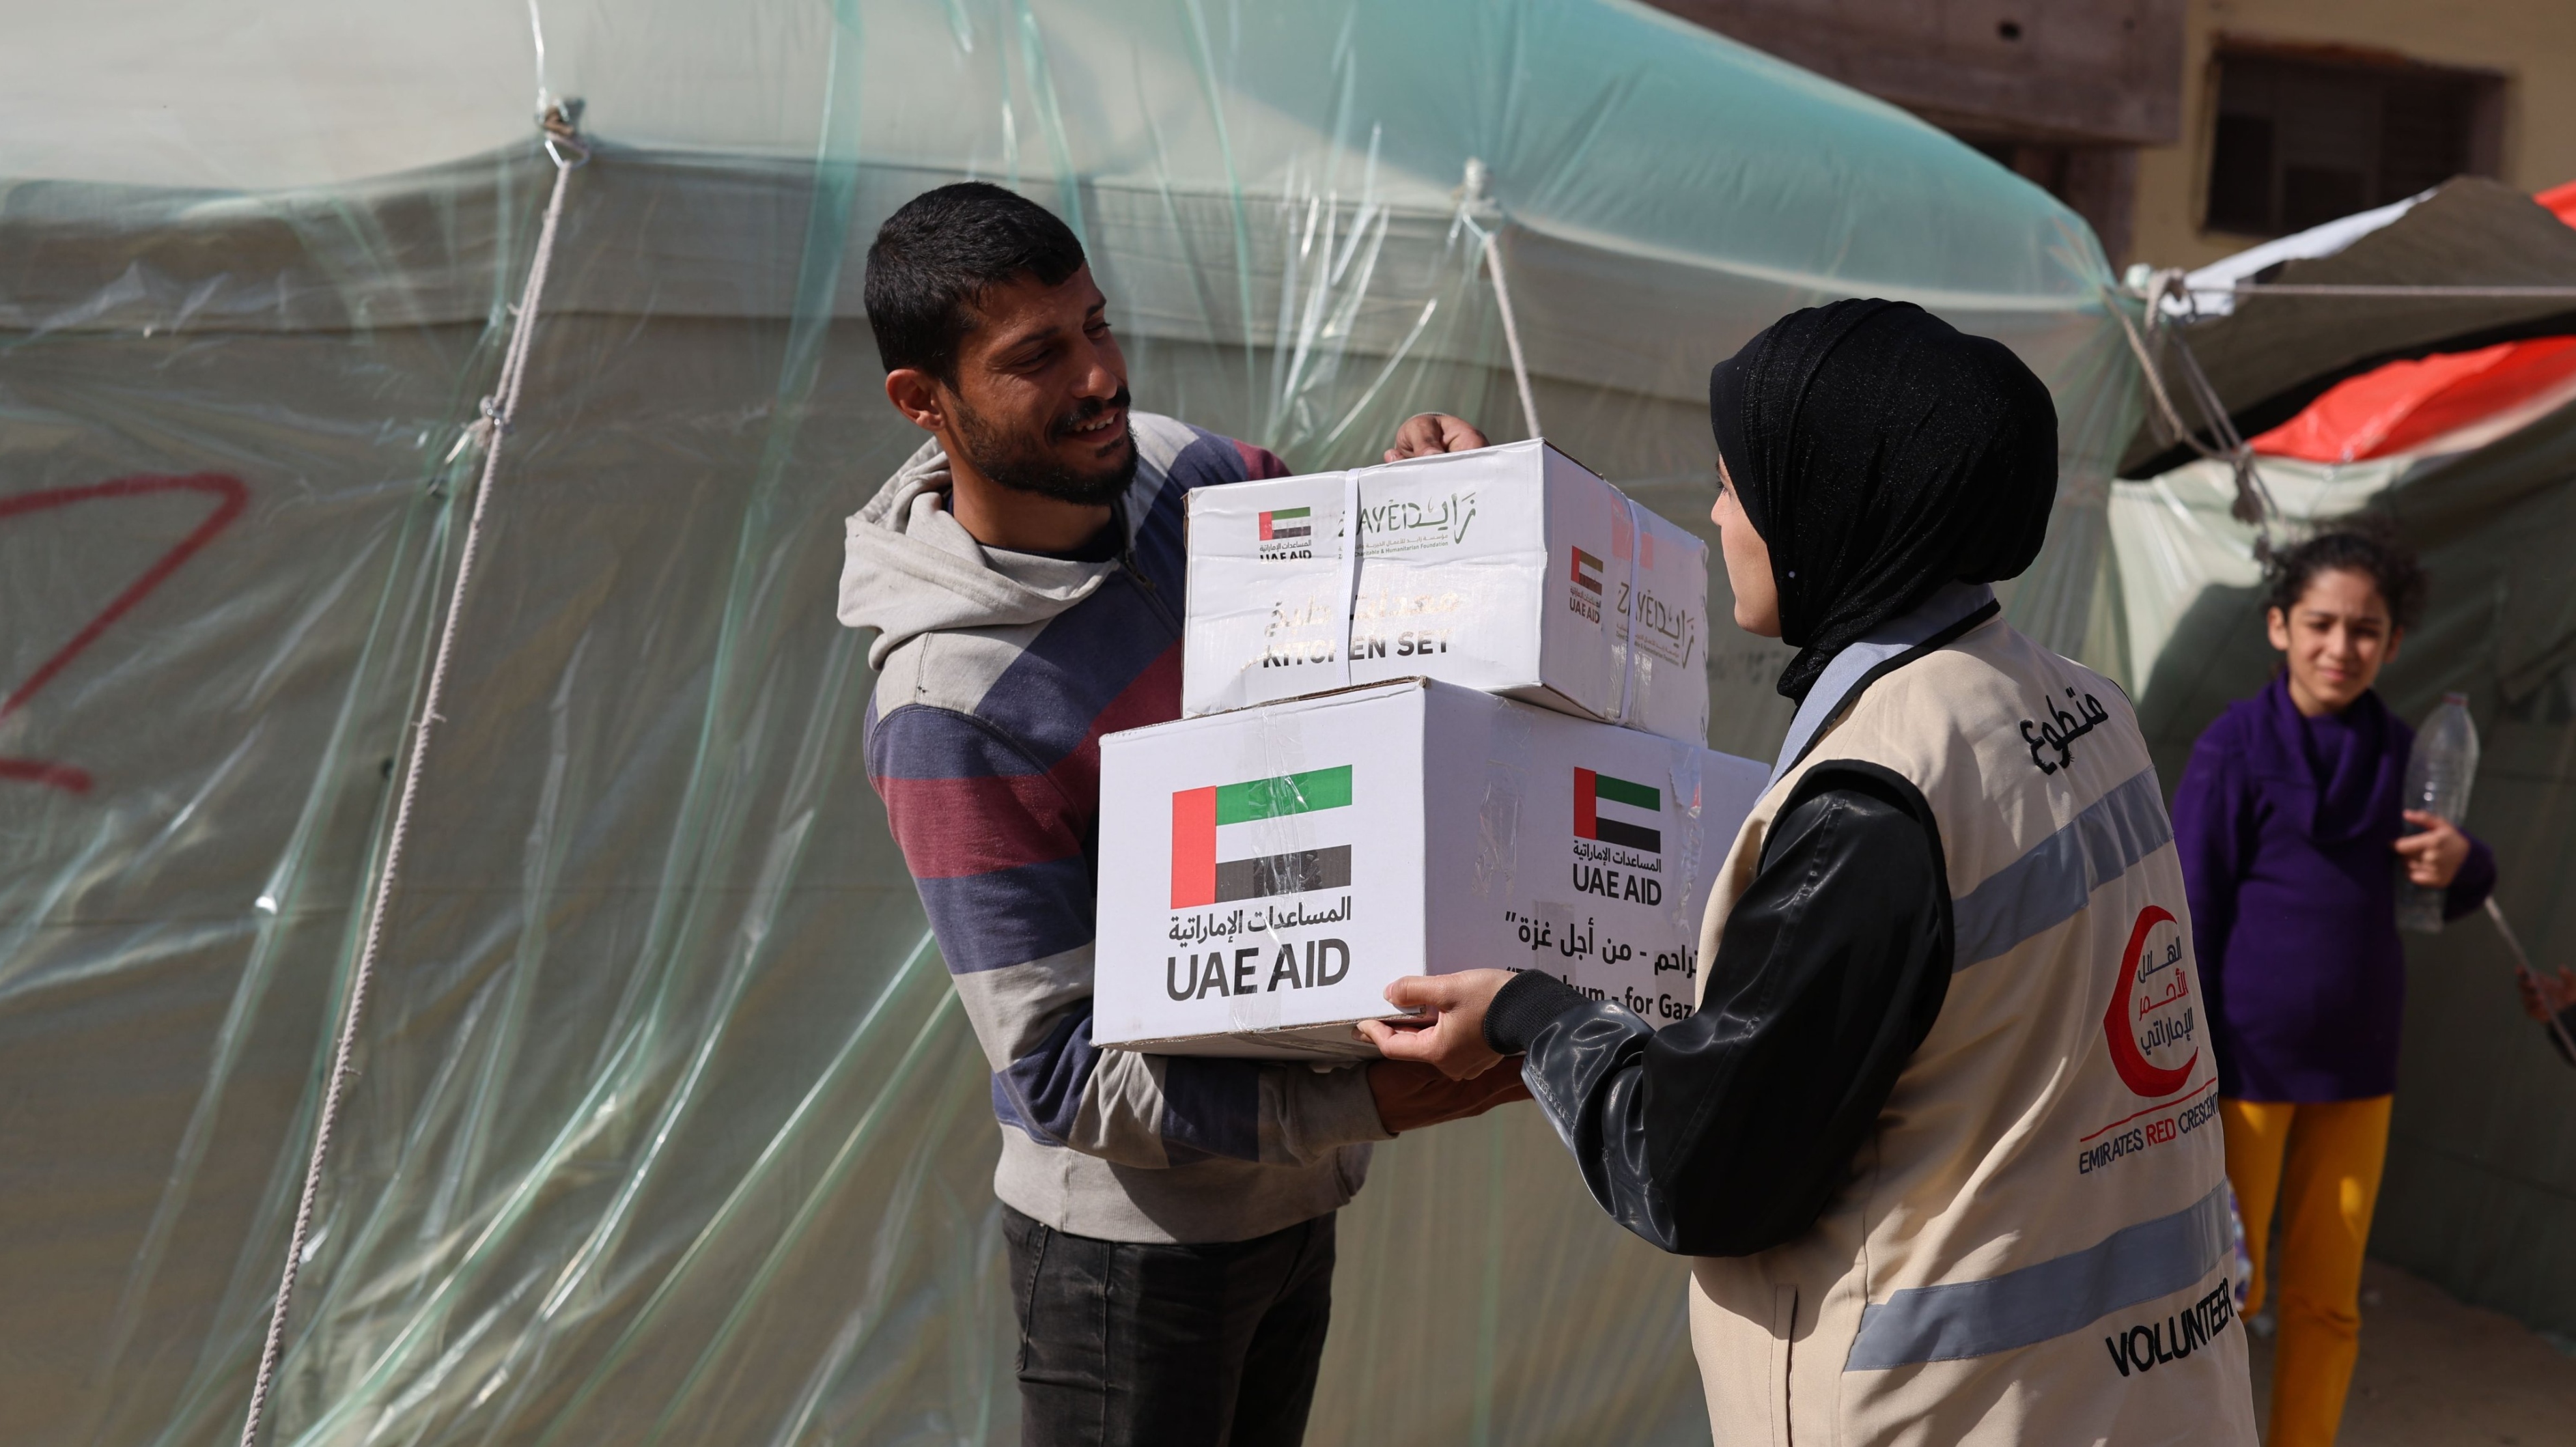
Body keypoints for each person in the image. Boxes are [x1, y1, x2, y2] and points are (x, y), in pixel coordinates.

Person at [1362, 298, 2256, 1444]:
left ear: (1827, 503)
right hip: (2145, 1394)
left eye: (1736, 485)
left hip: (1951, 1414)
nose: (1719, 518)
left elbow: (1692, 1170)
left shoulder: (1876, 799)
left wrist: (1526, 1017)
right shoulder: (2082, 705)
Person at [837, 183, 1525, 1447]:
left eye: (1096, 325)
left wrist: (1421, 503)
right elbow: (1058, 1072)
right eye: (1037, 357)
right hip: (1129, 1265)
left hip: (1295, 1204)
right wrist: (1365, 1105)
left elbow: (1340, 623)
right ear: (922, 401)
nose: (1099, 378)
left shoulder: (1187, 476)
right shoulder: (950, 706)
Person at [2167, 526, 2495, 1446]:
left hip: (2359, 1073)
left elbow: (2453, 881)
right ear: (2279, 626)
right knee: (2222, 1295)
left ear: (2394, 642)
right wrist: (2187, 1068)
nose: (2340, 647)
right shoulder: (2232, 749)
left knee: (2328, 1303)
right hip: (2242, 1073)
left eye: (2365, 629)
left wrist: (2463, 861)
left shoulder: (2405, 756)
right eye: (2320, 624)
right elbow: (2188, 914)